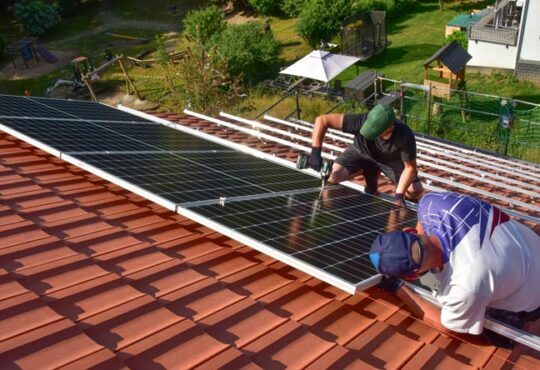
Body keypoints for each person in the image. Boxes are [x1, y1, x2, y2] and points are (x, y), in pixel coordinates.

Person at [369, 191, 540, 343]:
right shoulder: (432, 203)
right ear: (409, 231)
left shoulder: (465, 286)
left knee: (498, 335)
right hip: (530, 246)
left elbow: (448, 328)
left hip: (533, 293)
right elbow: (422, 219)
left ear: (413, 276)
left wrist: (398, 288)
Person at [309, 104, 423, 208]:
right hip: (360, 152)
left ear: (389, 128)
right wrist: (315, 152)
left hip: (389, 161)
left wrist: (399, 195)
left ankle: (406, 209)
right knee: (333, 176)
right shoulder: (362, 120)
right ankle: (366, 170)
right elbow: (322, 120)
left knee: (415, 190)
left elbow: (410, 168)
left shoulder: (404, 135)